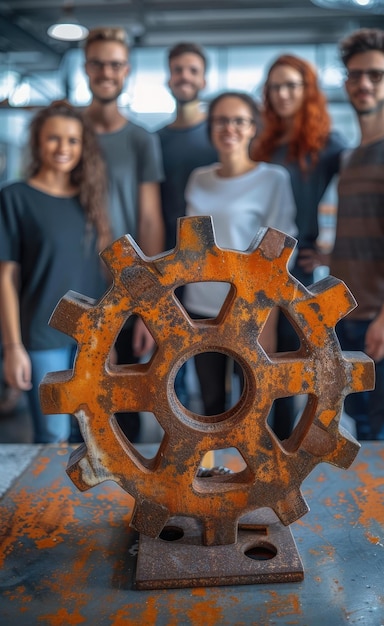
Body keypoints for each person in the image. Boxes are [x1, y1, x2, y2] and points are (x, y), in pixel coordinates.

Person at [0, 100, 111, 443]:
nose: (63, 148)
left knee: (93, 438)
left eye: (73, 140)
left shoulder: (90, 199)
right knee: (54, 435)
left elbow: (101, 273)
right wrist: (13, 347)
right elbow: (5, 278)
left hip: (90, 338)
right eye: (54, 139)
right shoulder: (15, 197)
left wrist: (109, 337)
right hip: (41, 336)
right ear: (37, 142)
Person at [251, 54, 348, 440]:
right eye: (275, 86)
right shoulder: (262, 144)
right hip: (257, 265)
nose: (283, 93)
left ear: (308, 91)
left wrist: (330, 252)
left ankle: (286, 449)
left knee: (291, 365)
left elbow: (356, 195)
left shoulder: (327, 144)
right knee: (259, 360)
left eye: (292, 85)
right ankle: (259, 443)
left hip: (298, 269)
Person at [184, 91, 297, 417]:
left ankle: (254, 469)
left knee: (255, 408)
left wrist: (269, 321)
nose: (229, 127)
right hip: (201, 307)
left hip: (251, 310)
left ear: (252, 128)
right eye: (221, 120)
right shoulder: (198, 178)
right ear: (210, 127)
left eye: (239, 120)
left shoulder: (273, 178)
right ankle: (214, 469)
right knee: (209, 407)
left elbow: (278, 255)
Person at [330, 28, 384, 440]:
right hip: (348, 315)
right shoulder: (351, 156)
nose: (363, 83)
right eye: (355, 74)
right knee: (361, 430)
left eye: (376, 75)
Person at [84, 26, 165, 441]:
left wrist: (150, 300)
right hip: (77, 281)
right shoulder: (67, 134)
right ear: (86, 68)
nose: (106, 71)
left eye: (115, 63)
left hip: (125, 284)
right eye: (98, 62)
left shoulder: (141, 139)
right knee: (79, 394)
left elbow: (150, 220)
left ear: (127, 70)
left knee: (126, 395)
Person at [157, 41, 217, 406]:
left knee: (216, 361)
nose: (184, 76)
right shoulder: (156, 140)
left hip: (209, 270)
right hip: (166, 262)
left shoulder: (218, 137)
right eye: (178, 69)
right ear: (168, 77)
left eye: (192, 70)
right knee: (169, 363)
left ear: (203, 79)